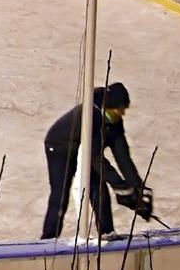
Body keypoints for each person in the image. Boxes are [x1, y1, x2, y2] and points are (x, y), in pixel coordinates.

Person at [41, 83, 152, 240]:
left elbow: (123, 158)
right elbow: (95, 158)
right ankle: (48, 238)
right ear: (109, 106)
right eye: (120, 109)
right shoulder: (90, 116)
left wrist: (138, 189)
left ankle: (107, 232)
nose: (123, 113)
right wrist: (120, 186)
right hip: (59, 147)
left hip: (85, 150)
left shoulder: (114, 122)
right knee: (61, 193)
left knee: (99, 189)